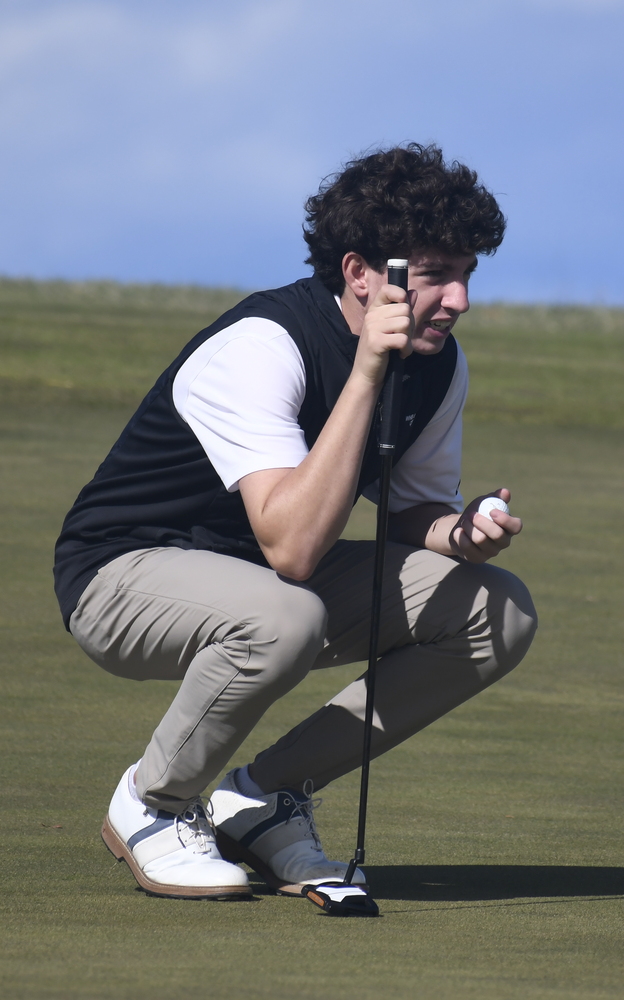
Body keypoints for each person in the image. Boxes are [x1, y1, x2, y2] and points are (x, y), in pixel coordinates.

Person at [52, 143, 538, 900]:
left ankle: (262, 797)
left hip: (264, 584)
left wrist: (457, 532)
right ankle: (153, 803)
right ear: (359, 273)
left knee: (496, 610)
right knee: (286, 614)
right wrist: (368, 370)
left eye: (468, 273)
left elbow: (412, 509)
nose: (460, 300)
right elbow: (297, 548)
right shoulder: (262, 345)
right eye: (437, 274)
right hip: (120, 576)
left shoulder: (439, 363)